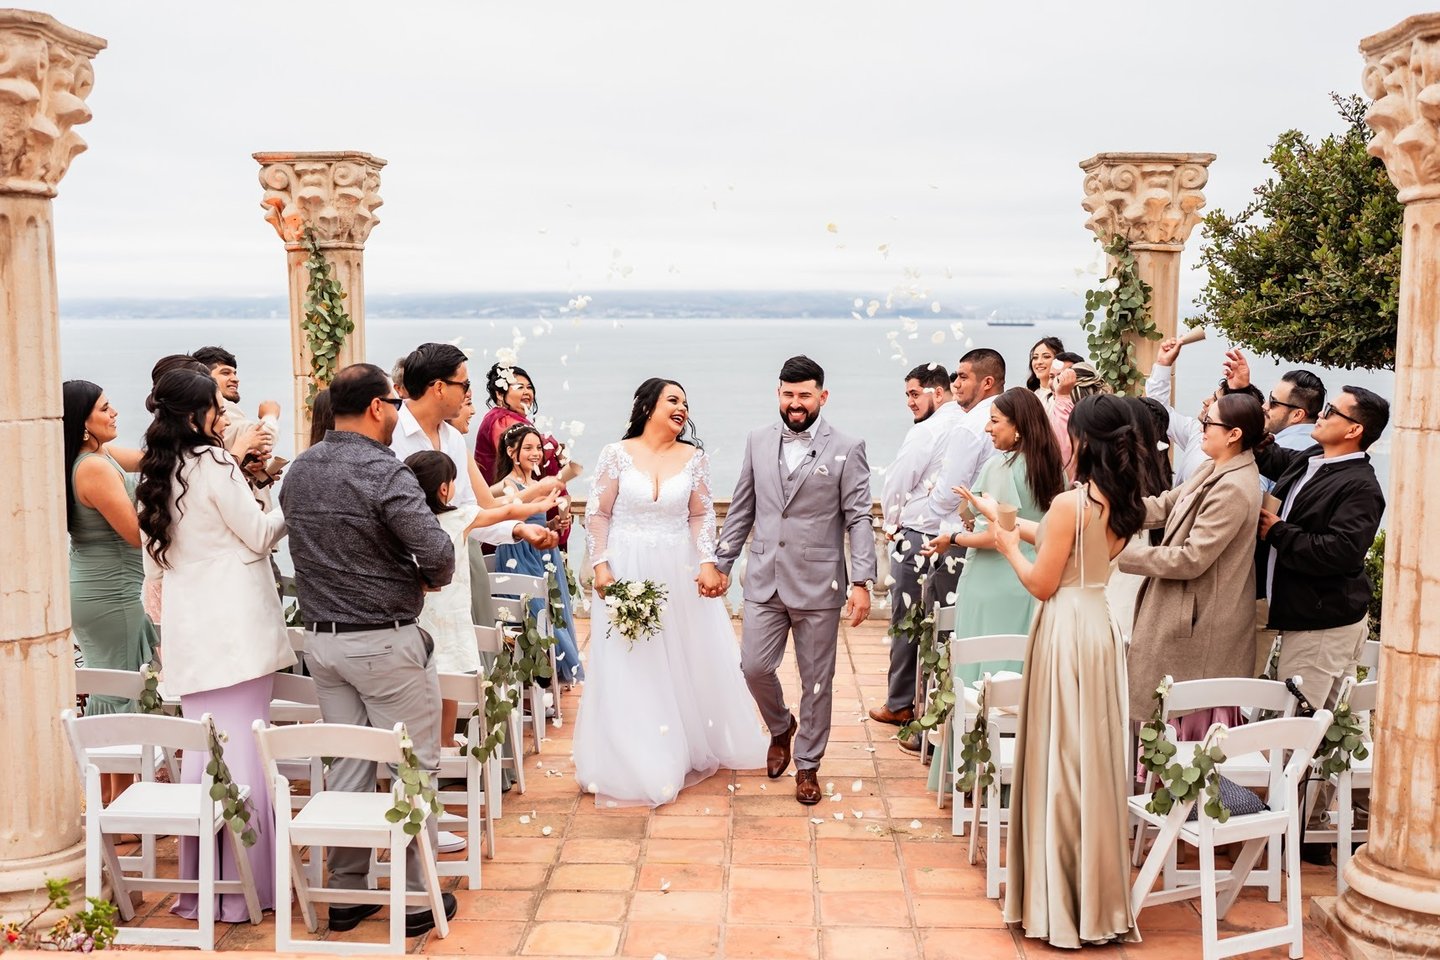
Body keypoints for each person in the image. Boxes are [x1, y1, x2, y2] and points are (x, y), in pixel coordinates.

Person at [278, 363, 458, 937]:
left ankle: (348, 896)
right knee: (414, 767)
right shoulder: (384, 471)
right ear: (379, 407)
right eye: (395, 404)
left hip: (322, 644)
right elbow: (438, 551)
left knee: (350, 765)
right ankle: (415, 900)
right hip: (384, 641)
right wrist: (423, 578)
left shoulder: (299, 470)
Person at [961, 394, 1142, 948]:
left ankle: (1057, 901)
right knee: (1091, 757)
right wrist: (1003, 517)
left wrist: (1006, 543)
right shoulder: (1122, 502)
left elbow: (1041, 581)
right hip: (1099, 625)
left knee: (1060, 757)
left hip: (1064, 628)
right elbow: (1071, 547)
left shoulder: (1070, 502)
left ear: (1083, 443)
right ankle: (1094, 898)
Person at [135, 368, 292, 922]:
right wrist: (287, 502)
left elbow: (156, 562)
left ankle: (207, 888)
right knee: (246, 750)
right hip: (238, 628)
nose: (222, 417)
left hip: (191, 632)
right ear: (197, 414)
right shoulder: (213, 463)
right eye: (216, 409)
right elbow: (257, 534)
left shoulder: (155, 473)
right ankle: (253, 888)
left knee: (206, 754)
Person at [573, 378, 768, 807]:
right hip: (626, 567)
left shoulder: (694, 458)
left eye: (685, 403)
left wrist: (705, 562)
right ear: (647, 407)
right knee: (632, 658)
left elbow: (701, 516)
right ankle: (637, 758)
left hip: (677, 570)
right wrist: (602, 565)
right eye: (672, 400)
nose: (682, 408)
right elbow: (598, 513)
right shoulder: (615, 454)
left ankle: (678, 748)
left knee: (683, 656)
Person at [714, 356, 877, 805]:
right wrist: (722, 562)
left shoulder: (848, 445)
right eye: (788, 394)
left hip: (820, 582)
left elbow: (859, 517)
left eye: (804, 395)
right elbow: (743, 508)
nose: (795, 403)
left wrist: (861, 579)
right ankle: (781, 724)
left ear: (822, 396)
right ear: (778, 394)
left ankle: (808, 766)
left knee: (817, 680)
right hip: (764, 577)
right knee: (754, 666)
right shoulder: (757, 441)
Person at [1119, 393, 1265, 725]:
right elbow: (1169, 502)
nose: (1201, 428)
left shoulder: (1235, 487)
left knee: (1182, 724)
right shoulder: (1213, 467)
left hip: (1202, 621)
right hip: (1186, 612)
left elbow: (1192, 558)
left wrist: (1121, 555)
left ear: (1234, 434)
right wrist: (1111, 512)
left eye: (1208, 423)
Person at [404, 450, 552, 747]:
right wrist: (541, 503)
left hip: (415, 615)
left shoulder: (405, 522)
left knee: (415, 685)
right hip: (451, 616)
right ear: (444, 489)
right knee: (449, 682)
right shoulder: (459, 516)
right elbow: (504, 512)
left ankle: (414, 741)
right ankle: (445, 740)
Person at [1254, 385, 1388, 711]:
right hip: (1309, 618)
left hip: (1322, 624)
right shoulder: (1313, 459)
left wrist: (1278, 532)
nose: (1321, 415)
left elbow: (1340, 551)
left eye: (1331, 411)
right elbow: (1271, 458)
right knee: (1336, 725)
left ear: (1354, 430)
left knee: (1298, 726)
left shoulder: (1361, 486)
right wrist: (1240, 390)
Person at [923, 388, 1066, 683]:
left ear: (1017, 426)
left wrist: (952, 539)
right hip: (1031, 579)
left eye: (994, 421)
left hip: (991, 586)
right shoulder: (1053, 468)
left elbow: (997, 533)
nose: (988, 428)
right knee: (1019, 678)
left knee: (978, 676)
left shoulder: (1001, 467)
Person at [64, 380, 157, 800]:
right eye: (104, 408)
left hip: (100, 584)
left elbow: (153, 461)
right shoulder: (93, 467)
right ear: (84, 423)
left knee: (118, 688)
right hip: (110, 592)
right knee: (117, 692)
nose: (115, 412)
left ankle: (116, 800)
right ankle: (112, 806)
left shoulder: (97, 456)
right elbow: (136, 535)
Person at [871, 363, 966, 733]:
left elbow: (897, 480)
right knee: (944, 628)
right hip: (957, 541)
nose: (910, 402)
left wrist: (893, 523)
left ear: (937, 392)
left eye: (915, 394)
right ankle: (933, 704)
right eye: (907, 395)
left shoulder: (927, 430)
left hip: (919, 537)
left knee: (906, 623)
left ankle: (899, 704)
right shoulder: (972, 424)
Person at [493, 425, 584, 684]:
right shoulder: (505, 485)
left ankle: (548, 677)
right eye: (528, 448)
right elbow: (493, 510)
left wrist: (554, 526)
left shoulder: (537, 483)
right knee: (533, 612)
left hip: (544, 554)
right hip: (517, 553)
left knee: (552, 610)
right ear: (512, 452)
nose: (536, 454)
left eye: (538, 448)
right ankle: (534, 677)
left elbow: (537, 522)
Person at [473, 361, 579, 545]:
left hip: (529, 509)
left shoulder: (513, 419)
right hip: (512, 514)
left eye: (529, 387)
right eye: (519, 387)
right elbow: (515, 452)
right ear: (499, 394)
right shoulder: (500, 420)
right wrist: (551, 447)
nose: (527, 392)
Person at [1146, 337, 1264, 486]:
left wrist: (1241, 391)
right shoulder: (1197, 431)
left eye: (1214, 400)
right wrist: (1163, 364)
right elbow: (1160, 412)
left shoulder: (1235, 472)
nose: (1205, 401)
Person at [923, 348, 1005, 551]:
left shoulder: (969, 425)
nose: (956, 384)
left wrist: (933, 494)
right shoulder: (1016, 416)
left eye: (963, 377)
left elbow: (948, 494)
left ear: (987, 383)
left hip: (966, 537)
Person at [193, 345, 281, 500]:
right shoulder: (225, 406)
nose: (235, 378)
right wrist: (270, 414)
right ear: (205, 378)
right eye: (225, 373)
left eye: (235, 373)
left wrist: (253, 471)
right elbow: (264, 438)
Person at [1025, 336, 1065, 408]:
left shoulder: (1063, 396)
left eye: (1046, 357)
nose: (1039, 362)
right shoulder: (1027, 395)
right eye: (1035, 357)